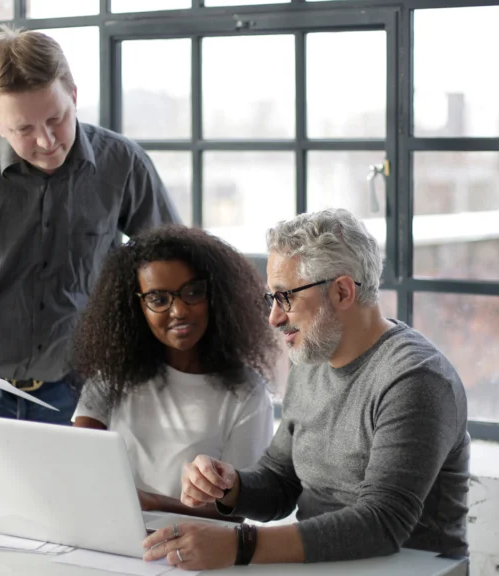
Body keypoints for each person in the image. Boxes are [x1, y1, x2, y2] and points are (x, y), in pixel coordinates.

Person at [0, 25, 181, 480]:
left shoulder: (122, 163)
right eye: (24, 129)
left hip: (75, 398)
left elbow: (172, 265)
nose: (47, 141)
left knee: (65, 542)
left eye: (57, 119)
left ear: (73, 93)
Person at [142, 209, 470, 570]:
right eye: (272, 298)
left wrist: (240, 544)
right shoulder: (311, 358)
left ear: (343, 291)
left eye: (285, 297)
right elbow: (281, 481)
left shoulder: (416, 379)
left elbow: (382, 523)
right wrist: (227, 486)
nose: (274, 318)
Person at [71, 225, 279, 520]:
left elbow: (234, 512)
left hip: (196, 551)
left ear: (215, 296)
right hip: (111, 538)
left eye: (192, 292)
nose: (179, 310)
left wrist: (148, 503)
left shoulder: (247, 393)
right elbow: (77, 465)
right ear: (136, 307)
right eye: (158, 299)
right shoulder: (110, 379)